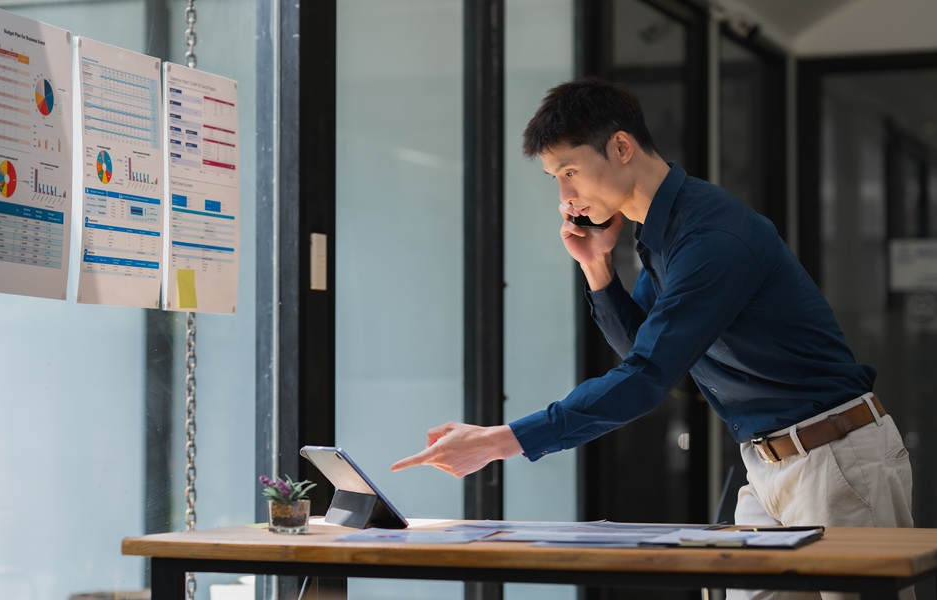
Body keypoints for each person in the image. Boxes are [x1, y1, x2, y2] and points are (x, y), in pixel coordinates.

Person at [391, 77, 914, 600]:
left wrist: (500, 441)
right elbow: (645, 346)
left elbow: (647, 375)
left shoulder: (710, 238)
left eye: (569, 172)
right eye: (556, 179)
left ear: (621, 147)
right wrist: (597, 266)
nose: (566, 196)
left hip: (836, 458)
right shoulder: (661, 237)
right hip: (771, 464)